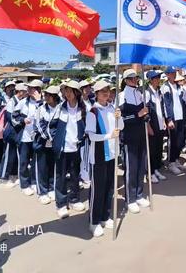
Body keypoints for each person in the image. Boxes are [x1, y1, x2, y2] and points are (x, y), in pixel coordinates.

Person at [86, 80, 124, 237]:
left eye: (107, 90)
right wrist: (109, 136)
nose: (106, 93)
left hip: (112, 154)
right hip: (99, 156)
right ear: (96, 94)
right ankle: (93, 221)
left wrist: (119, 117)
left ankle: (105, 216)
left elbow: (120, 127)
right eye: (102, 91)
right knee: (98, 189)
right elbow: (91, 136)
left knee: (109, 187)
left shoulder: (112, 108)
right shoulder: (92, 112)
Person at [50, 80, 87, 218]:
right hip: (62, 149)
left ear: (76, 93)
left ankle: (74, 199)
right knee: (60, 176)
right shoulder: (60, 108)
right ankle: (61, 203)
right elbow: (51, 126)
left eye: (70, 91)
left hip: (76, 148)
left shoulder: (83, 109)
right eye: (66, 91)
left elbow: (87, 127)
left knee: (74, 175)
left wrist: (81, 139)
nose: (68, 93)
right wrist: (56, 140)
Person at [119, 69, 150, 214]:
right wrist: (138, 115)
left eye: (135, 78)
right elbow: (121, 120)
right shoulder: (121, 96)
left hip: (141, 135)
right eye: (131, 78)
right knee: (131, 169)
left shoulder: (139, 93)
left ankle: (139, 194)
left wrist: (145, 117)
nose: (134, 80)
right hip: (129, 137)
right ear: (125, 80)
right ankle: (129, 199)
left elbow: (144, 114)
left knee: (141, 166)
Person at [14, 79, 44, 196]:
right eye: (29, 88)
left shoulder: (43, 103)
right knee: (24, 161)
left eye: (32, 88)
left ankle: (34, 181)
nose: (29, 90)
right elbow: (14, 116)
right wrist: (22, 120)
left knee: (37, 161)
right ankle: (24, 184)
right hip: (25, 136)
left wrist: (39, 101)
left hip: (38, 137)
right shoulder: (23, 102)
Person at [35, 85, 61, 205]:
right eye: (45, 94)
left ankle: (51, 188)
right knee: (42, 167)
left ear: (54, 97)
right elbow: (38, 125)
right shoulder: (41, 109)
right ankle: (42, 192)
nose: (45, 97)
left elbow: (60, 126)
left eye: (48, 95)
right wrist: (48, 137)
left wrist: (54, 139)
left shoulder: (60, 108)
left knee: (53, 166)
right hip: (42, 142)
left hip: (55, 143)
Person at [0, 83, 28, 187]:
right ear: (20, 92)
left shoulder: (22, 101)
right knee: (8, 155)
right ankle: (3, 177)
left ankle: (14, 175)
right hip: (11, 131)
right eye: (25, 91)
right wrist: (22, 122)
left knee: (16, 155)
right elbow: (10, 118)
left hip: (19, 131)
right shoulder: (12, 101)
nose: (26, 93)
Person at [144, 70, 168, 183]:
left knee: (159, 148)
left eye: (158, 78)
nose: (158, 80)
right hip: (152, 125)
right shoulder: (147, 92)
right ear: (151, 80)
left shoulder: (158, 92)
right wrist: (148, 126)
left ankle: (156, 169)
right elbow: (146, 111)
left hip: (159, 124)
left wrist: (163, 120)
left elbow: (161, 108)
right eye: (156, 78)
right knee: (152, 150)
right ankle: (150, 172)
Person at [161, 67, 185, 176]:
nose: (173, 75)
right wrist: (169, 119)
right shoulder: (165, 87)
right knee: (173, 141)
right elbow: (166, 104)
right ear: (167, 74)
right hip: (173, 118)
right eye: (171, 73)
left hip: (180, 117)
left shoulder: (179, 86)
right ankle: (171, 162)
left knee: (180, 141)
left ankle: (176, 159)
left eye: (174, 73)